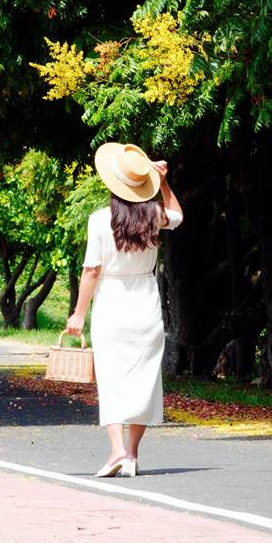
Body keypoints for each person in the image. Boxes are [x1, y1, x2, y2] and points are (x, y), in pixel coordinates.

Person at [65, 142, 183, 478]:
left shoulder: (100, 220)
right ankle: (131, 454)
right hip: (145, 301)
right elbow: (179, 215)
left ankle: (116, 450)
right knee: (144, 380)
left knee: (112, 378)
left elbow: (91, 270)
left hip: (112, 304)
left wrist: (78, 313)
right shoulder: (154, 217)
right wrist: (163, 182)